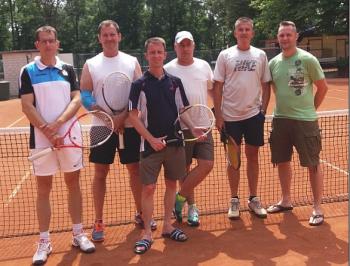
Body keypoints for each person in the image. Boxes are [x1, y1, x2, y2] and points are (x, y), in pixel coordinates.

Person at [19, 26, 95, 265]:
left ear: (57, 43)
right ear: (38, 45)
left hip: (69, 137)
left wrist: (60, 124)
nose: (49, 45)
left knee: (73, 184)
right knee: (44, 189)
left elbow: (76, 98)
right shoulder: (28, 71)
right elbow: (27, 105)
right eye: (44, 41)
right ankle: (44, 241)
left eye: (52, 40)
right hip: (42, 140)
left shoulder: (68, 69)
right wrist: (48, 131)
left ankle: (78, 234)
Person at [79, 20, 157, 242]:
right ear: (99, 38)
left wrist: (122, 117)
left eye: (113, 34)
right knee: (100, 173)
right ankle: (98, 220)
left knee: (135, 171)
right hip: (100, 128)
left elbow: (140, 93)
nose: (109, 38)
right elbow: (85, 95)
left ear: (119, 36)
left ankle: (141, 214)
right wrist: (108, 119)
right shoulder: (91, 64)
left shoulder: (131, 61)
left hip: (130, 126)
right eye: (105, 35)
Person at [129, 37, 189, 254]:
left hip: (175, 143)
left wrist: (195, 129)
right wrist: (151, 139)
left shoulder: (175, 81)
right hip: (150, 145)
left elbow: (183, 111)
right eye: (151, 52)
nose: (156, 55)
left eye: (159, 52)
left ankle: (167, 225)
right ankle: (146, 233)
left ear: (165, 54)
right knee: (148, 188)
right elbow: (133, 116)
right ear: (146, 56)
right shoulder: (138, 85)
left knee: (172, 184)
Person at [267, 21, 328, 226]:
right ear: (278, 38)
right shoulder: (273, 62)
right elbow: (275, 89)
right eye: (281, 35)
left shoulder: (308, 59)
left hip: (305, 121)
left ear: (295, 36)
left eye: (288, 35)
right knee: (282, 161)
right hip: (281, 120)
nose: (285, 38)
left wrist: (310, 110)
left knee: (313, 164)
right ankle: (286, 200)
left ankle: (317, 207)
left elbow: (323, 87)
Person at [213, 17, 271, 220]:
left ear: (252, 33)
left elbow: (266, 85)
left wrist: (262, 111)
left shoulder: (260, 55)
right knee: (234, 161)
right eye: (240, 29)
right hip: (230, 118)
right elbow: (217, 86)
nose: (244, 32)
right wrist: (218, 115)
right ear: (235, 32)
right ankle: (234, 200)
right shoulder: (225, 55)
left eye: (247, 29)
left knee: (253, 157)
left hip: (253, 116)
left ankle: (253, 198)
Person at [164, 31, 214, 226]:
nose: (185, 48)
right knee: (183, 169)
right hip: (180, 127)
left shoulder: (203, 66)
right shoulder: (168, 70)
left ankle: (180, 197)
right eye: (181, 45)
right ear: (175, 47)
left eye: (188, 44)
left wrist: (218, 110)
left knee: (207, 164)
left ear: (193, 46)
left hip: (204, 124)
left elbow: (211, 89)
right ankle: (192, 207)